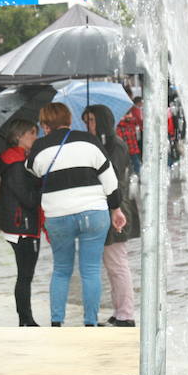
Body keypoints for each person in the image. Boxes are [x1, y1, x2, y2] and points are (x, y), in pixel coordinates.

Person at [26, 103, 127, 327]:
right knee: (90, 270)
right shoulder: (89, 140)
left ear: (45, 124)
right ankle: (90, 323)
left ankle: (57, 323)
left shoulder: (39, 146)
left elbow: (31, 171)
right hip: (93, 211)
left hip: (58, 214)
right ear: (69, 119)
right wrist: (116, 208)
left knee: (61, 270)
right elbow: (109, 179)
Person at [83, 104, 141, 327]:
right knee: (111, 263)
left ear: (102, 121)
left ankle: (126, 314)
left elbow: (112, 178)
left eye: (91, 120)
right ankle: (120, 311)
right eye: (86, 120)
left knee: (117, 263)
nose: (88, 125)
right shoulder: (101, 144)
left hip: (117, 209)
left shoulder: (114, 145)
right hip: (107, 208)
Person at [0, 118, 43, 327]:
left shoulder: (14, 159)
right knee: (25, 275)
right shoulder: (16, 163)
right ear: (19, 136)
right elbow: (28, 198)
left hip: (18, 225)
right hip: (23, 226)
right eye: (32, 133)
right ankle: (26, 319)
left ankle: (25, 318)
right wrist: (42, 183)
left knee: (25, 274)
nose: (35, 138)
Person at [116, 110, 142, 174]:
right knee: (128, 167)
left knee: (137, 165)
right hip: (126, 151)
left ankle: (137, 177)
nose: (130, 116)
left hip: (134, 150)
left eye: (130, 114)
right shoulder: (120, 127)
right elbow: (120, 140)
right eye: (127, 114)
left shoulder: (132, 124)